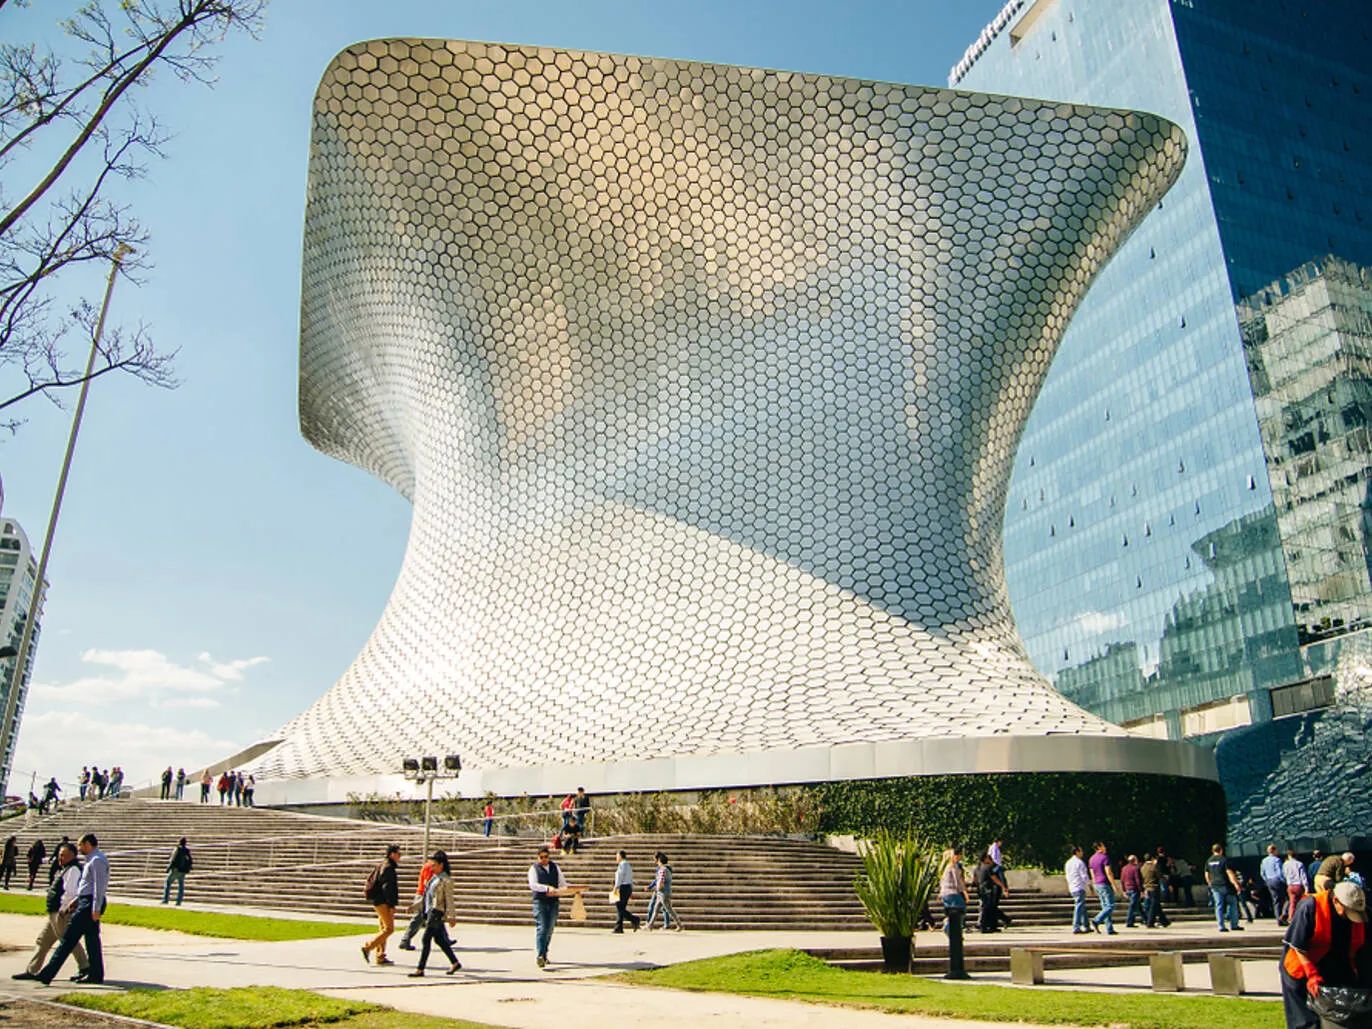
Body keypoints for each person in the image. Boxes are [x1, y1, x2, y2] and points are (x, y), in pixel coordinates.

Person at [1279, 880, 1366, 1029]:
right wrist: (1311, 974)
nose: (1348, 916)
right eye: (1347, 911)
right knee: (1305, 1020)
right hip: (1300, 966)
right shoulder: (1310, 906)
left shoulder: (1358, 913)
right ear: (1336, 901)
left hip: (1329, 963)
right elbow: (1298, 946)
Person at [35, 832, 107, 985]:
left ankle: (47, 974)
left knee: (68, 939)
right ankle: (95, 974)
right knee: (92, 940)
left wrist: (96, 908)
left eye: (80, 845)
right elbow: (87, 886)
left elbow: (99, 887)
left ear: (88, 844)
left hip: (89, 904)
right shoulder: (92, 859)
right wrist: (76, 901)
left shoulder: (97, 860)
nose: (79, 848)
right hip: (85, 901)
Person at [12, 841, 87, 982]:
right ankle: (32, 970)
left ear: (73, 855)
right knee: (43, 940)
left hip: (61, 913)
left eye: (64, 855)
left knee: (68, 941)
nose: (60, 858)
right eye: (59, 855)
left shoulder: (73, 870)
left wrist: (63, 909)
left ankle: (85, 966)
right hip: (55, 912)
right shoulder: (66, 869)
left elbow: (71, 893)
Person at [407, 851, 462, 977]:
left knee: (426, 939)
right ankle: (455, 963)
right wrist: (414, 906)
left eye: (434, 865)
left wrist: (452, 916)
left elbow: (449, 899)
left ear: (441, 865)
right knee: (439, 940)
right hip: (429, 911)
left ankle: (420, 968)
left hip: (436, 912)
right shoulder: (433, 878)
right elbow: (427, 896)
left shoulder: (446, 880)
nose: (432, 868)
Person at [528, 845, 580, 968]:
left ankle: (544, 952)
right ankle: (540, 955)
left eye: (546, 857)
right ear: (538, 858)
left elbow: (562, 883)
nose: (544, 859)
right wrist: (546, 888)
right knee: (542, 927)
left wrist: (573, 888)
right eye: (541, 857)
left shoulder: (555, 867)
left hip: (553, 901)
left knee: (550, 928)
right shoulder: (534, 869)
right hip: (540, 901)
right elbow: (533, 885)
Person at [361, 844, 401, 966]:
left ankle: (380, 956)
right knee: (389, 929)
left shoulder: (383, 865)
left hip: (379, 900)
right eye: (398, 854)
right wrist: (392, 905)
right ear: (392, 854)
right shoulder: (388, 867)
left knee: (383, 928)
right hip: (382, 901)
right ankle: (368, 947)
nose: (400, 856)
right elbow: (388, 888)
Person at [397, 854, 438, 952]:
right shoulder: (429, 867)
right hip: (423, 894)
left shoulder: (430, 866)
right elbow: (426, 882)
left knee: (435, 917)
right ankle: (405, 940)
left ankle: (445, 939)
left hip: (426, 894)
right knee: (418, 918)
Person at [1204, 842, 1243, 932]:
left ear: (1212, 851)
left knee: (1219, 905)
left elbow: (1206, 874)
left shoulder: (1209, 861)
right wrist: (1236, 884)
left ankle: (1221, 926)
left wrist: (1210, 883)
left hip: (1215, 886)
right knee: (1232, 904)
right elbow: (1229, 872)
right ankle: (1234, 924)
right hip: (1226, 885)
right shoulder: (1224, 860)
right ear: (1221, 850)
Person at [644, 851, 680, 931]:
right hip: (662, 893)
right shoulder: (667, 869)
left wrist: (657, 888)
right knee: (656, 909)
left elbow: (661, 881)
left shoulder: (663, 869)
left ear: (659, 860)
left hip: (663, 893)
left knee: (669, 910)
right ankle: (650, 925)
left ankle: (679, 925)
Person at [1089, 842, 1119, 935]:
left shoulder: (1091, 859)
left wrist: (1094, 884)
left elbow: (1092, 873)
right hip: (1105, 883)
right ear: (1099, 847)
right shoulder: (1104, 857)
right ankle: (1096, 920)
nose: (1105, 847)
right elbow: (1108, 872)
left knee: (1104, 907)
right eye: (1103, 846)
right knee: (1110, 905)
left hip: (1097, 884)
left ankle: (1109, 928)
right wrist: (1114, 885)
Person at [941, 847, 970, 937]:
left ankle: (951, 928)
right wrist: (965, 892)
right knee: (960, 909)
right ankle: (949, 926)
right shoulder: (953, 866)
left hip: (945, 893)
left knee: (952, 911)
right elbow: (958, 881)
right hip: (952, 892)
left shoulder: (944, 867)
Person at [974, 853, 1005, 933]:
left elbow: (975, 880)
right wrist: (1003, 886)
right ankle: (984, 926)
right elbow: (994, 878)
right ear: (985, 859)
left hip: (980, 889)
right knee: (987, 908)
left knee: (986, 907)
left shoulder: (977, 868)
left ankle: (990, 925)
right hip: (987, 889)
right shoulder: (988, 867)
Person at [612, 849, 640, 933]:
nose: (616, 858)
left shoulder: (622, 864)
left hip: (622, 887)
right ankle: (619, 927)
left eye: (617, 856)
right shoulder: (628, 865)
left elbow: (620, 877)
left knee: (619, 908)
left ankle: (634, 919)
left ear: (620, 856)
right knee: (621, 908)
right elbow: (630, 878)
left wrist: (615, 887)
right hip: (627, 887)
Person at [1065, 845, 1090, 934]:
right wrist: (1089, 885)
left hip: (1072, 887)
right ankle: (1076, 926)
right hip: (1079, 886)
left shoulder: (1068, 863)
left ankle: (1086, 925)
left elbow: (1067, 875)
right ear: (1077, 852)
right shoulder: (1079, 863)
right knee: (1079, 906)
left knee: (1082, 906)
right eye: (1081, 851)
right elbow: (1084, 876)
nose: (1082, 853)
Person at [1141, 852, 1171, 928]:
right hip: (1154, 887)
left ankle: (1164, 921)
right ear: (1152, 858)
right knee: (1154, 905)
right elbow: (1159, 875)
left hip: (1147, 887)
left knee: (1156, 905)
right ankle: (1150, 922)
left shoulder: (1143, 867)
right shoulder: (1153, 867)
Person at [1264, 844, 1289, 925]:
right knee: (1285, 899)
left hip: (1269, 881)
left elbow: (1262, 873)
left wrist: (1267, 880)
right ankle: (1283, 916)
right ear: (1274, 851)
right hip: (1277, 881)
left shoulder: (1264, 861)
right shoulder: (1277, 860)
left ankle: (1278, 918)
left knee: (1275, 900)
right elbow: (1279, 872)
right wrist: (1284, 881)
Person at [163, 837, 192, 905]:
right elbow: (190, 860)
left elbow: (173, 859)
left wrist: (169, 867)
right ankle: (179, 901)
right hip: (183, 870)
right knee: (181, 885)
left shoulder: (177, 849)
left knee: (168, 882)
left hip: (175, 869)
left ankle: (165, 899)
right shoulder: (187, 850)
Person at [1121, 854, 1143, 928]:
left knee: (1138, 905)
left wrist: (1124, 890)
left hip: (1127, 888)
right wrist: (1141, 890)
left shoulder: (1124, 868)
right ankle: (1129, 922)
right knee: (1133, 906)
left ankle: (1146, 919)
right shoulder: (1135, 868)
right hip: (1134, 889)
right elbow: (1137, 880)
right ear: (1135, 860)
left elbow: (1122, 880)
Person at [1285, 848, 1310, 914]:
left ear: (1289, 856)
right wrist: (1306, 887)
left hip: (1290, 886)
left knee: (1292, 903)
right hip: (1298, 885)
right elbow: (1303, 876)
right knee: (1300, 903)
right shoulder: (1299, 864)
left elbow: (1284, 875)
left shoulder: (1285, 864)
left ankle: (1291, 917)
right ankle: (1299, 916)